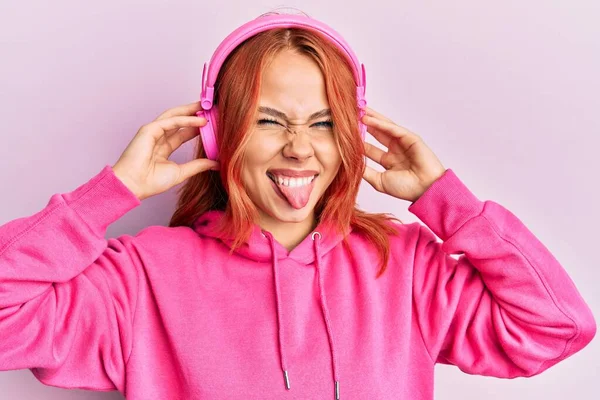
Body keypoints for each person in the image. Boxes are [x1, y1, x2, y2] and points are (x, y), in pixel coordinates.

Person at [0, 10, 596, 400]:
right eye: (268, 120)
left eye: (323, 122)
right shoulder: (139, 277)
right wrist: (111, 193)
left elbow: (556, 328)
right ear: (218, 133)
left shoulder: (406, 264)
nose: (299, 147)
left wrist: (450, 204)